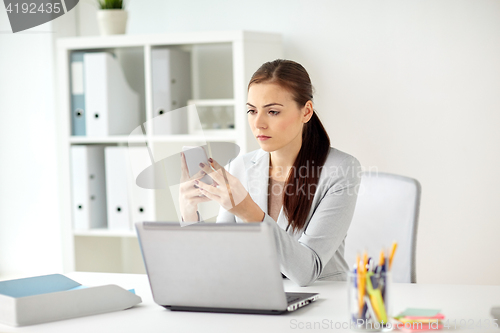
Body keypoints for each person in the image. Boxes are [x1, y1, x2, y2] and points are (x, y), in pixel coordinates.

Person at [179, 59, 361, 287]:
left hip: (322, 300)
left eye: (273, 112)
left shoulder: (340, 170)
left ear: (306, 112)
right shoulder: (241, 166)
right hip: (259, 296)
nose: (258, 123)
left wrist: (248, 211)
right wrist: (189, 213)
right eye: (252, 111)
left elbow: (306, 271)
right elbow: (218, 260)